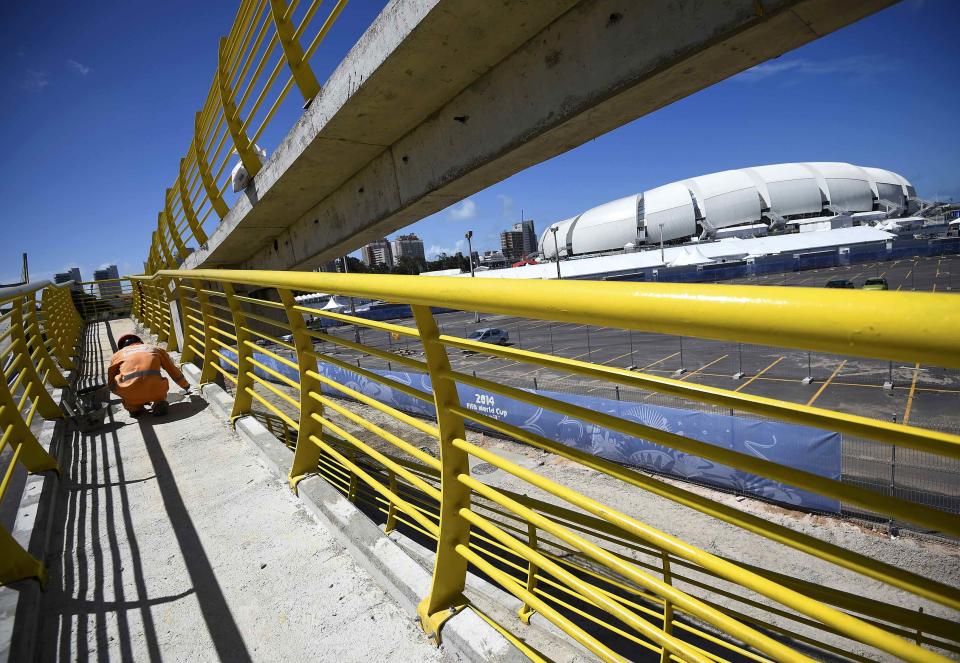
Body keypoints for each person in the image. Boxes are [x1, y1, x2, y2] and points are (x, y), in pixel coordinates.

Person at [108, 334, 189, 416]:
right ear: (141, 342)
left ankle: (134, 408)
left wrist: (122, 393)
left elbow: (111, 382)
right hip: (156, 390)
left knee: (121, 382)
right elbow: (173, 370)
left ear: (122, 347)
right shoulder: (155, 349)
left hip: (131, 394)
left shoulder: (117, 355)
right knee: (154, 383)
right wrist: (185, 385)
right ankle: (159, 402)